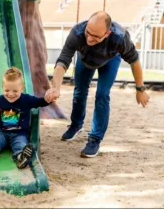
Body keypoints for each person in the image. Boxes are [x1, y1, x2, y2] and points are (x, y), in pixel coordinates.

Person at [45, 11, 150, 158]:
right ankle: (76, 125)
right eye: (88, 33)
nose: (89, 38)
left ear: (107, 33)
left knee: (102, 94)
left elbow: (135, 61)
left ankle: (94, 139)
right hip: (85, 59)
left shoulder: (120, 37)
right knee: (79, 91)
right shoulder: (77, 33)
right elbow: (63, 61)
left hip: (110, 60)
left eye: (95, 36)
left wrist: (140, 89)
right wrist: (55, 87)